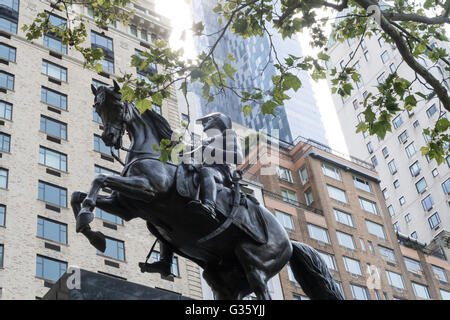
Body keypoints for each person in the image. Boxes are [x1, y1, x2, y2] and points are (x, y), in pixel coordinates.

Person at [140, 112, 243, 276]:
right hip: (198, 172)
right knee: (168, 214)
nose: (205, 124)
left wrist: (209, 152)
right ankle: (165, 262)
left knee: (206, 172)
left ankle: (209, 205)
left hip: (220, 174)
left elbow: (237, 156)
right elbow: (186, 156)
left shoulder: (228, 137)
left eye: (208, 121)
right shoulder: (204, 142)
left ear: (218, 122)